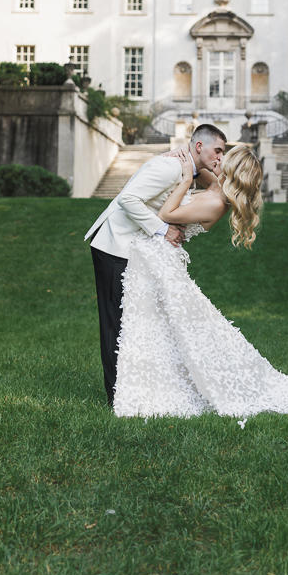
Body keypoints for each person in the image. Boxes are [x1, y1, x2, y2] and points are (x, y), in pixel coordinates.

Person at [113, 143, 288, 419]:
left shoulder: (214, 203)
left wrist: (185, 180)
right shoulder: (216, 186)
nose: (217, 159)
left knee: (165, 327)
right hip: (154, 257)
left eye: (224, 158)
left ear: (231, 171)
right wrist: (182, 157)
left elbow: (165, 216)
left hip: (159, 259)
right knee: (161, 326)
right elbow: (201, 169)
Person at [84, 123, 227, 406]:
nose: (220, 157)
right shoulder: (170, 168)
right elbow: (128, 199)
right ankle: (117, 396)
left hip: (134, 250)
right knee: (115, 324)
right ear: (199, 147)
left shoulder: (188, 168)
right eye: (218, 150)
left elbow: (211, 179)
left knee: (133, 323)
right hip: (115, 245)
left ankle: (133, 385)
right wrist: (163, 230)